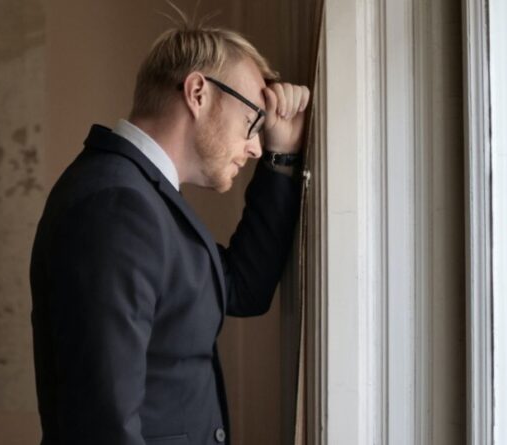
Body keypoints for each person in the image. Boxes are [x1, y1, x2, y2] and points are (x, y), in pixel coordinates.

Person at [28, 23, 310, 445]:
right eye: (252, 120)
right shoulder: (117, 204)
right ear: (198, 93)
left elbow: (240, 288)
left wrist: (280, 156)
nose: (254, 146)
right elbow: (102, 424)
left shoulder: (138, 195)